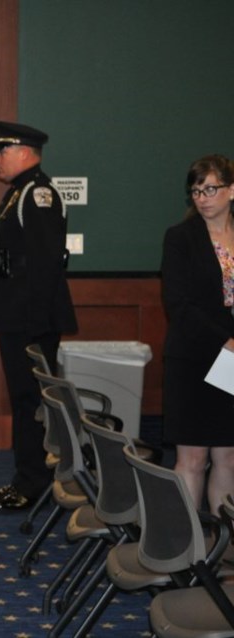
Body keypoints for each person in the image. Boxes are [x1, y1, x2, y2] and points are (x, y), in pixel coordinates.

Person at [0, 121, 76, 511]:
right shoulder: (19, 191)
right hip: (17, 314)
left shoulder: (38, 195)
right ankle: (25, 477)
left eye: (2, 152)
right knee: (23, 400)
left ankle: (32, 484)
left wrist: (33, 329)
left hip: (30, 319)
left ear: (24, 152)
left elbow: (44, 265)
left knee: (31, 402)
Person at [161, 154, 234, 515]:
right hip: (193, 358)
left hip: (233, 364)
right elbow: (179, 305)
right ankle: (185, 551)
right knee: (192, 459)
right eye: (196, 191)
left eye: (210, 189)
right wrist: (226, 340)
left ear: (231, 190)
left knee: (228, 457)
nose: (203, 198)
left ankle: (226, 552)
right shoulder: (180, 238)